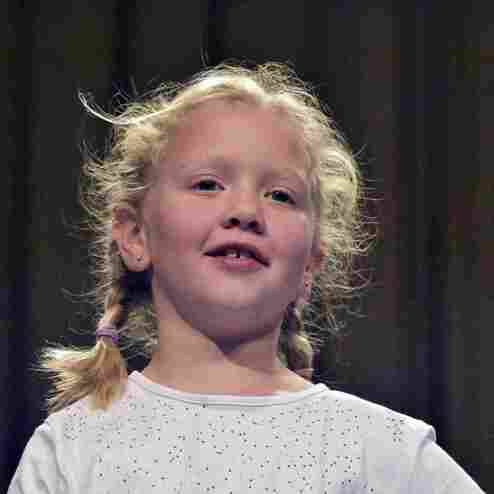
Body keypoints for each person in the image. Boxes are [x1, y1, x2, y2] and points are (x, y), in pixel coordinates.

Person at [8, 62, 484, 493]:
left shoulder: (385, 456)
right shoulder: (71, 453)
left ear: (310, 264)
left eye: (280, 195)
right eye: (207, 185)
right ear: (135, 234)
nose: (245, 211)